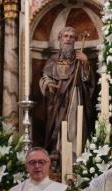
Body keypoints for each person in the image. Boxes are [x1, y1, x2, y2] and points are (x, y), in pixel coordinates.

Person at [40, 26, 96, 154]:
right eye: (65, 36)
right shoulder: (53, 60)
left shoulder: (80, 58)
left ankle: (76, 154)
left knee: (75, 126)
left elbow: (88, 81)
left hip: (75, 98)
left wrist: (86, 63)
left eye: (71, 37)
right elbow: (45, 77)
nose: (68, 39)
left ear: (75, 40)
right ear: (60, 39)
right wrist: (49, 85)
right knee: (58, 128)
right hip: (58, 99)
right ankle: (58, 153)